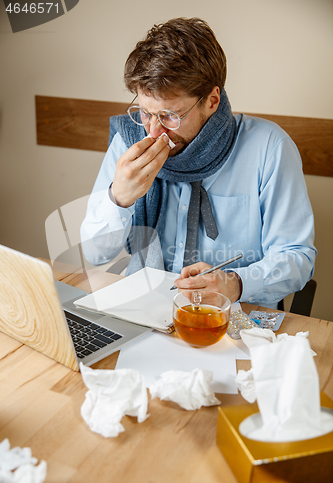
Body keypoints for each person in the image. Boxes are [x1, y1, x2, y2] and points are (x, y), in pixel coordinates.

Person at [81, 17, 316, 308]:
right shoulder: (128, 144)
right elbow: (95, 254)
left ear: (212, 100)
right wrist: (118, 198)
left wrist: (236, 283)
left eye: (170, 115)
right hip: (144, 313)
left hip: (232, 322)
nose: (154, 131)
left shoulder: (269, 148)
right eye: (144, 112)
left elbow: (297, 257)